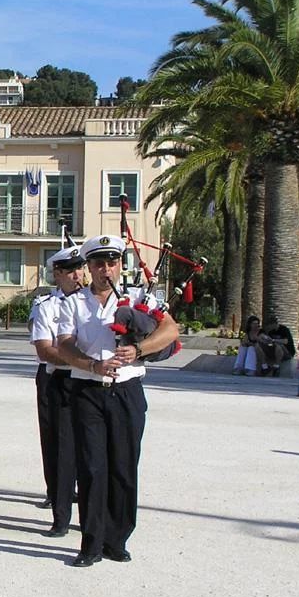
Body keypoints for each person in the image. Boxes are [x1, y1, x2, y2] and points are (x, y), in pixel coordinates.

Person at [56, 235, 179, 568]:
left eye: (111, 263)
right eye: (97, 263)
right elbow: (64, 345)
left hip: (126, 391)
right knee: (93, 469)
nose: (104, 269)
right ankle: (91, 543)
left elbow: (170, 330)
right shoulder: (74, 302)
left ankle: (118, 539)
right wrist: (92, 364)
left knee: (124, 468)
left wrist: (139, 349)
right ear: (89, 267)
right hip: (88, 391)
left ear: (120, 265)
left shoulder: (138, 298)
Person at [28, 246, 85, 537]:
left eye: (81, 269)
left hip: (88, 380)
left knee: (88, 447)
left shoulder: (93, 303)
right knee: (59, 448)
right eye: (72, 271)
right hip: (57, 379)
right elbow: (45, 349)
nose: (79, 276)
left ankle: (88, 512)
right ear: (58, 274)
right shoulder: (47, 306)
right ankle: (61, 514)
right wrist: (85, 361)